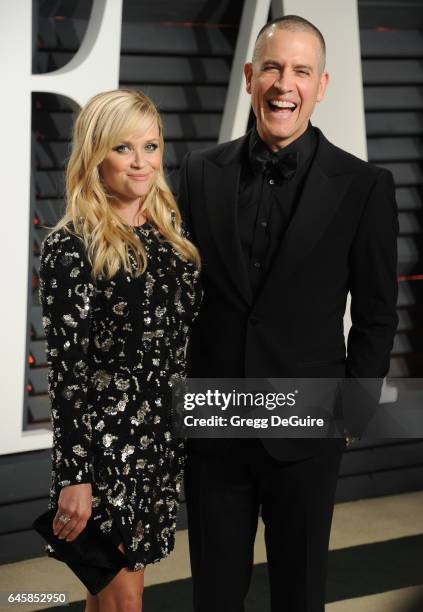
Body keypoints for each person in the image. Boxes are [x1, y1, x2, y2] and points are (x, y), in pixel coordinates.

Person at [178, 15, 398, 612]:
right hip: (215, 427)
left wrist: (353, 407)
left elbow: (378, 310)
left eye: (301, 71)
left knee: (300, 594)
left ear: (321, 85)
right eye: (272, 67)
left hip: (308, 428)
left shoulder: (365, 185)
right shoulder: (198, 172)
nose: (285, 84)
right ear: (250, 77)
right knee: (215, 596)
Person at [39, 89, 202, 612]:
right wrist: (74, 476)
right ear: (95, 155)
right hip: (106, 452)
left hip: (160, 445)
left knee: (115, 596)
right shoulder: (71, 245)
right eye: (123, 148)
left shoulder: (170, 237)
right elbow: (67, 374)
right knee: (122, 600)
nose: (140, 162)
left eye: (150, 147)